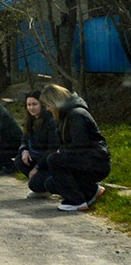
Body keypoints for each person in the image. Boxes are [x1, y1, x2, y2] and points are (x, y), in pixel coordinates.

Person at [38, 84, 110, 212]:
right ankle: (91, 190)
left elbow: (81, 145)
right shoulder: (66, 116)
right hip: (86, 159)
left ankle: (77, 201)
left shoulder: (76, 115)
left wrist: (61, 152)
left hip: (95, 162)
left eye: (48, 105)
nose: (48, 109)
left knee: (54, 160)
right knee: (51, 183)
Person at [14, 90, 59, 198]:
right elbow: (24, 139)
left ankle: (47, 186)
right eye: (29, 105)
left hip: (48, 162)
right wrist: (24, 150)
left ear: (42, 105)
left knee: (34, 184)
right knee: (19, 160)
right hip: (35, 157)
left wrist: (37, 168)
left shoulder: (51, 122)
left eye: (35, 104)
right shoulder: (30, 120)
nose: (31, 108)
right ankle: (41, 187)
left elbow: (52, 148)